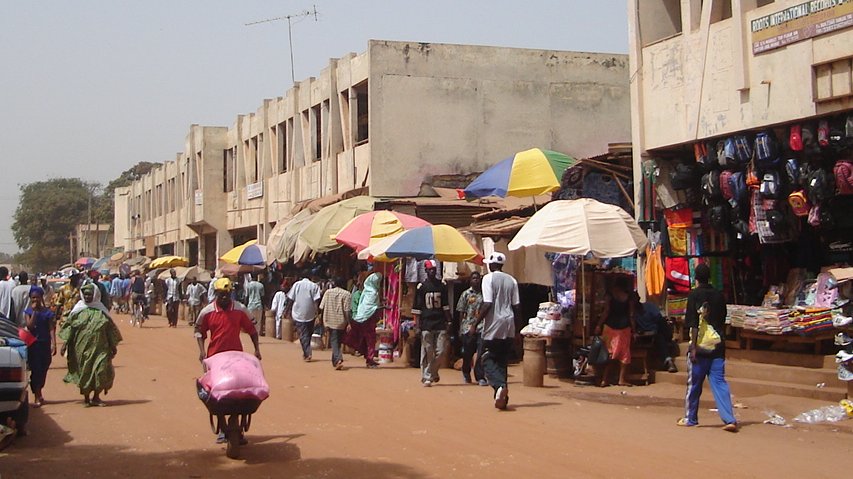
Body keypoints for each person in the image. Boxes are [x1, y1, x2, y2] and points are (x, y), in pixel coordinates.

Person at [194, 277, 261, 445]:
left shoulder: (240, 309)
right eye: (221, 295)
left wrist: (257, 349)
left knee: (238, 394)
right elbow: (199, 332)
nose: (224, 298)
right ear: (216, 294)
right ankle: (222, 427)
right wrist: (202, 352)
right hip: (215, 359)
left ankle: (236, 425)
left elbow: (252, 330)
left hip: (235, 358)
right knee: (218, 396)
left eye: (227, 294)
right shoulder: (207, 312)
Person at [678, 263, 738, 432]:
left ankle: (691, 418)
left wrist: (694, 347)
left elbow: (694, 324)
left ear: (696, 278)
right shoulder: (719, 296)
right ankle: (729, 419)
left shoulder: (694, 295)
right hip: (718, 346)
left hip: (701, 348)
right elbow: (723, 319)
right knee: (719, 383)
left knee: (694, 385)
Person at [58, 284, 122, 406]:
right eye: (85, 294)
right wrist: (65, 344)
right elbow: (70, 329)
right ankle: (86, 398)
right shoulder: (77, 311)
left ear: (95, 295)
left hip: (101, 348)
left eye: (90, 294)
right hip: (82, 349)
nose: (87, 296)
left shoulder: (102, 311)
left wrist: (113, 346)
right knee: (85, 371)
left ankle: (96, 397)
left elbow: (109, 329)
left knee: (100, 370)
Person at [477, 252, 520, 410]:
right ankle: (502, 396)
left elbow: (487, 303)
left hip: (494, 324)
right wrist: (517, 330)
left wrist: (475, 323)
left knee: (486, 358)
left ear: (492, 265)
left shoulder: (488, 279)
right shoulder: (512, 280)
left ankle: (499, 385)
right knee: (501, 361)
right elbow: (516, 306)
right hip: (509, 323)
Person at [593, 276, 637, 387]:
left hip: (609, 328)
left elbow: (606, 311)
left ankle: (604, 379)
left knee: (609, 353)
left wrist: (599, 325)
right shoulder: (629, 297)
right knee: (624, 354)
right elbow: (631, 315)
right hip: (624, 328)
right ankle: (621, 379)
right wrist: (635, 330)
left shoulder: (609, 295)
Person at [412, 260, 451, 386]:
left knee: (441, 351)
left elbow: (446, 306)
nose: (432, 271)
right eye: (430, 269)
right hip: (426, 323)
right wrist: (417, 326)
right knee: (428, 350)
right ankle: (427, 376)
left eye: (434, 269)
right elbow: (417, 309)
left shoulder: (442, 286)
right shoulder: (421, 287)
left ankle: (431, 372)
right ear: (426, 271)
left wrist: (449, 321)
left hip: (440, 322)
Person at [24, 286, 56, 408]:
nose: (35, 300)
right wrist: (35, 313)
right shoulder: (28, 312)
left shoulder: (48, 312)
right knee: (36, 369)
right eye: (33, 298)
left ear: (41, 298)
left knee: (44, 367)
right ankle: (37, 394)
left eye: (37, 297)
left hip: (45, 344)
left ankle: (39, 390)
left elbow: (51, 328)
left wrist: (54, 343)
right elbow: (30, 326)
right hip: (33, 345)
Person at [345, 271, 383, 368]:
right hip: (368, 320)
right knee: (370, 340)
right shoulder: (373, 293)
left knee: (366, 339)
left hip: (361, 319)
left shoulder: (366, 291)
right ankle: (369, 359)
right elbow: (371, 307)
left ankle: (368, 357)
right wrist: (380, 307)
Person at [632, 293, 678, 373]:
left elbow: (660, 320)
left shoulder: (649, 306)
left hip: (657, 332)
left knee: (659, 338)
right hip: (644, 336)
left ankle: (668, 361)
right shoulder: (633, 314)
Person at [457, 271, 486, 386]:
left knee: (480, 353)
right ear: (470, 280)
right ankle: (466, 372)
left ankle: (480, 377)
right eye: (473, 278)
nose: (476, 280)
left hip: (481, 327)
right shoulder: (466, 294)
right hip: (467, 327)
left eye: (478, 278)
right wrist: (460, 328)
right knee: (468, 353)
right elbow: (461, 311)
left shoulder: (485, 294)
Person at [286, 270, 321, 361]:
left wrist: (286, 310)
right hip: (310, 313)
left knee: (303, 334)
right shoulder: (314, 286)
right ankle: (306, 352)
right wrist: (317, 313)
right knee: (308, 334)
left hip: (298, 313)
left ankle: (307, 353)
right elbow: (316, 301)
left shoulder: (297, 285)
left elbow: (290, 299)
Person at [319, 277, 352, 370]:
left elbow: (322, 307)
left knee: (334, 341)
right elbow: (347, 311)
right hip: (341, 321)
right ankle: (336, 360)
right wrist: (349, 322)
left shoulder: (328, 292)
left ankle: (337, 359)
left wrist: (322, 321)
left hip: (329, 320)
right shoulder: (347, 294)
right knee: (337, 340)